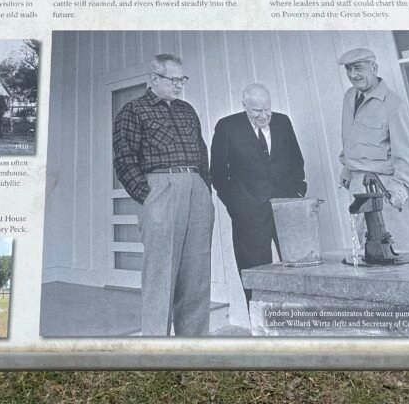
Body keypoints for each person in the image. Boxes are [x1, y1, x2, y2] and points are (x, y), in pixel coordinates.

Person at [113, 53, 214, 336]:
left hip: (196, 188)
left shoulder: (187, 110)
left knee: (196, 274)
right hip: (160, 189)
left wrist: (204, 187)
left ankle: (193, 347)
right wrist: (147, 197)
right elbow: (124, 159)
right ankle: (156, 347)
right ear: (155, 78)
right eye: (174, 79)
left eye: (182, 79)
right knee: (160, 274)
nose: (180, 85)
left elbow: (202, 153)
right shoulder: (133, 110)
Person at [210, 84, 306, 304]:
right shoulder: (227, 127)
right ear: (244, 106)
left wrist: (298, 191)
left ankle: (298, 322)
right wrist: (236, 206)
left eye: (267, 109)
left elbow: (296, 160)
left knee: (297, 268)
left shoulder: (283, 122)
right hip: (249, 214)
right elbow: (217, 172)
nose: (264, 116)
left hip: (286, 208)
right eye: (256, 111)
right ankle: (260, 327)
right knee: (255, 275)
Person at [337, 47, 409, 250]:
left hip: (386, 187)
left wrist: (397, 192)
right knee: (366, 249)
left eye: (358, 68)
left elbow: (408, 158)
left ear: (374, 67)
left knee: (397, 249)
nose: (353, 75)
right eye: (349, 69)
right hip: (358, 187)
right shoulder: (349, 97)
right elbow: (351, 137)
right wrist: (347, 167)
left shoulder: (394, 105)